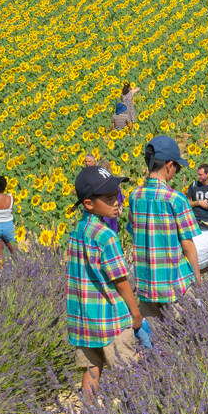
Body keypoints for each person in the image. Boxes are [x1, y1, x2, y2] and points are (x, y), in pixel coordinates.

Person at [66, 166, 150, 400]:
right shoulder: (106, 236)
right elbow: (121, 280)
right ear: (89, 203)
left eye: (117, 196)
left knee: (92, 368)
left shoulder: (78, 231)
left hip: (84, 319)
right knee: (129, 371)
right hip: (111, 318)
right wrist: (135, 313)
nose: (116, 203)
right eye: (109, 198)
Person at [126, 135, 202, 322]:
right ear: (169, 165)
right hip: (173, 284)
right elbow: (187, 244)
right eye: (177, 166)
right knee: (187, 335)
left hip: (145, 284)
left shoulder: (135, 197)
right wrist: (198, 279)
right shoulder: (175, 199)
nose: (176, 171)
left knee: (155, 341)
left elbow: (133, 232)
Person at [83, 154, 123, 232]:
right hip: (110, 221)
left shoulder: (92, 184)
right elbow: (120, 211)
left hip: (96, 222)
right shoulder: (115, 186)